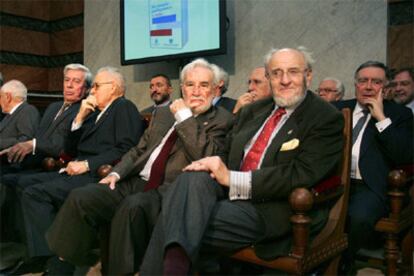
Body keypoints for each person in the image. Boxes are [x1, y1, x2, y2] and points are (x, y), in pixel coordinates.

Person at [139, 47, 344, 275]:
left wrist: (233, 178)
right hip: (226, 193)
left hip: (271, 206)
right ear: (269, 77)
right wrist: (211, 163)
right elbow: (226, 151)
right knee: (191, 179)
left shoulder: (325, 117)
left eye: (293, 72)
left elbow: (301, 173)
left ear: (308, 75)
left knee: (175, 215)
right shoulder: (253, 110)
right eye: (276, 73)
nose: (285, 80)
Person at [45, 58, 234, 275]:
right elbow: (137, 150)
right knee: (83, 196)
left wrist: (184, 117)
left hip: (167, 189)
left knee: (131, 208)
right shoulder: (163, 113)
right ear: (182, 88)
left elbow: (205, 155)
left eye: (204, 85)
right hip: (135, 180)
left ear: (214, 89)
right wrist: (116, 173)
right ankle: (72, 260)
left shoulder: (222, 120)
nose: (197, 91)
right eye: (190, 85)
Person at [9, 66, 146, 275]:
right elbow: (70, 150)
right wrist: (79, 118)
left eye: (98, 86)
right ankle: (45, 254)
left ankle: (53, 257)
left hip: (95, 173)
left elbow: (126, 148)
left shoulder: (123, 107)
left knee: (35, 193)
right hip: (74, 169)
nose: (92, 91)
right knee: (23, 187)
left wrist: (87, 165)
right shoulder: (96, 113)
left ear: (115, 88)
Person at [334, 61, 413, 272]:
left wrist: (380, 118)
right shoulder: (338, 109)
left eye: (376, 82)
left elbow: (403, 155)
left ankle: (342, 263)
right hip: (336, 182)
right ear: (356, 84)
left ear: (385, 88)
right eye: (363, 81)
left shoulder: (399, 115)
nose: (368, 86)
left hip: (370, 186)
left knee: (358, 217)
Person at [2, 63, 91, 172]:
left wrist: (33, 144)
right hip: (27, 161)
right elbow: (38, 136)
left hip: (52, 166)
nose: (69, 85)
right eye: (66, 80)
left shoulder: (85, 111)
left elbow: (64, 147)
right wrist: (15, 148)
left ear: (87, 89)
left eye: (76, 81)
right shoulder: (53, 107)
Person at [0, 80, 40, 152]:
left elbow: (25, 140)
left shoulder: (28, 110)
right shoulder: (9, 115)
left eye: (0, 96)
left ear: (8, 97)